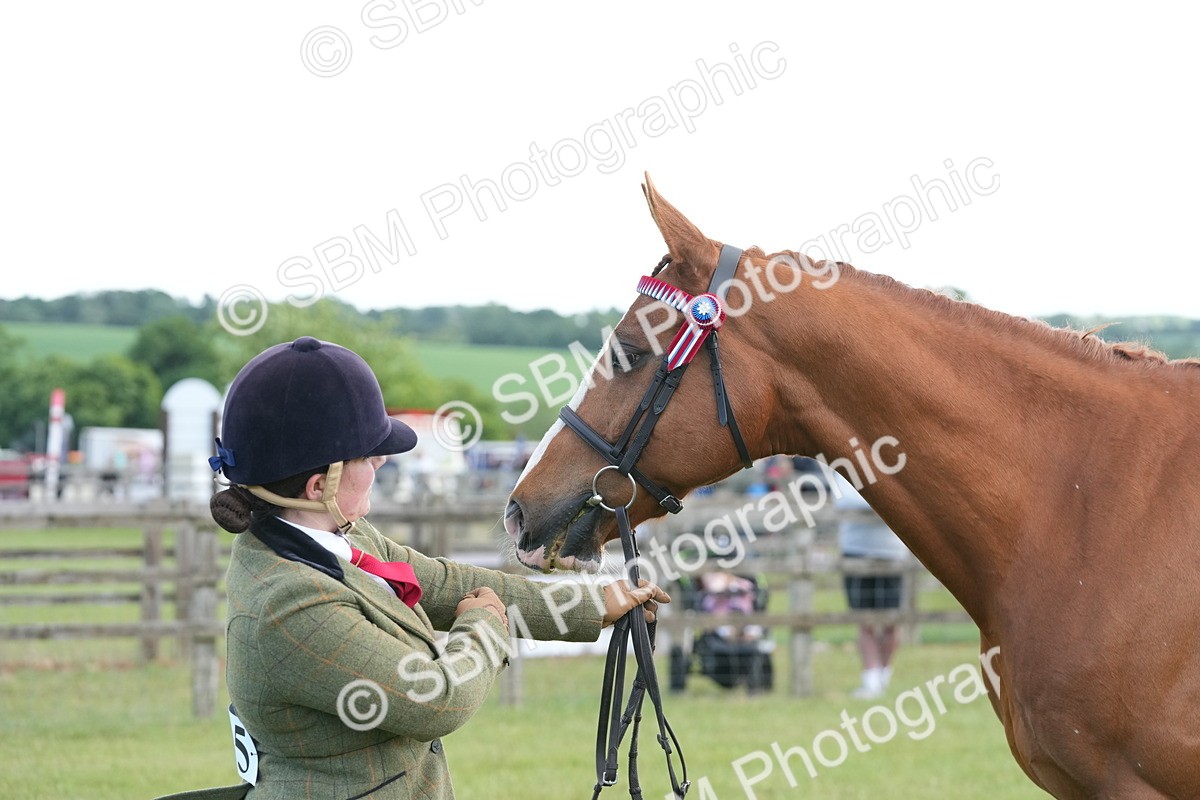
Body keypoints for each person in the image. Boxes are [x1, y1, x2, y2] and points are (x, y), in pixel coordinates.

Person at [155, 336, 668, 800]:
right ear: (320, 485)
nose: (380, 463)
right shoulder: (289, 601)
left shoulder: (331, 536)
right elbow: (434, 699)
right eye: (368, 456)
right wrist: (485, 626)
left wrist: (595, 603)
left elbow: (446, 584)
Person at [832, 471, 911, 700]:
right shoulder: (843, 469)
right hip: (856, 552)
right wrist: (881, 502)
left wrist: (875, 501)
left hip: (892, 554)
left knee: (891, 622)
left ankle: (882, 676)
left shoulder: (893, 465)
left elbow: (901, 500)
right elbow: (845, 500)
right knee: (864, 621)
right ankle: (871, 679)